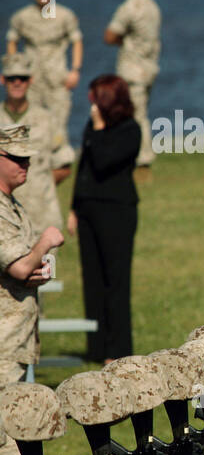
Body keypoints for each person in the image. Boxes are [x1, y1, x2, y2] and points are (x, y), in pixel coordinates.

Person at [68, 75, 141, 363]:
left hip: (116, 211)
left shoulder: (130, 130)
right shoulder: (93, 127)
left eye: (96, 98)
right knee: (92, 279)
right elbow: (85, 167)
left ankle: (118, 349)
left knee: (116, 281)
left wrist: (98, 129)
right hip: (87, 210)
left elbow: (103, 161)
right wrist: (74, 208)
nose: (91, 105)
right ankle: (96, 348)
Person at [0, 125, 63, 384]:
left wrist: (41, 267)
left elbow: (28, 266)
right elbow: (20, 268)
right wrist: (46, 242)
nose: (24, 164)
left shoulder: (13, 205)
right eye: (16, 158)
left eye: (27, 158)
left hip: (15, 342)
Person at [1, 51, 74, 239]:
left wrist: (40, 185)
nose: (17, 83)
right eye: (12, 78)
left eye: (23, 78)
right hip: (3, 224)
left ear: (31, 81)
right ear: (3, 80)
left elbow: (64, 163)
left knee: (46, 269)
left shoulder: (47, 119)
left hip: (42, 219)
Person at [6, 0, 82, 140]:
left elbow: (77, 40)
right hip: (32, 78)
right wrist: (14, 68)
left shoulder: (64, 16)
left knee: (59, 126)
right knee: (29, 123)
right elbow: (12, 40)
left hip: (57, 77)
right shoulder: (22, 17)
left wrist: (75, 70)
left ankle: (58, 163)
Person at [103, 0, 161, 182]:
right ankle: (136, 158)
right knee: (139, 114)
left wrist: (123, 39)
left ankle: (142, 161)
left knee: (136, 116)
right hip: (149, 67)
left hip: (132, 69)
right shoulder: (152, 6)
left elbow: (109, 36)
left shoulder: (128, 8)